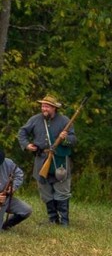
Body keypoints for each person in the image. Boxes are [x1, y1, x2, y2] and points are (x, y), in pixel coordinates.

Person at [17, 94, 77, 226]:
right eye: (43, 106)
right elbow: (22, 132)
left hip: (59, 159)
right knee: (45, 191)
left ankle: (64, 221)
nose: (44, 108)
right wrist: (27, 145)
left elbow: (73, 140)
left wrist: (64, 138)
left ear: (54, 108)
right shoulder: (35, 119)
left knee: (62, 190)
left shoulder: (64, 120)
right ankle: (52, 219)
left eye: (47, 106)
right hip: (41, 159)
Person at [0, 150, 33, 231]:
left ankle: (6, 226)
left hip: (6, 199)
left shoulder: (8, 163)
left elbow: (19, 174)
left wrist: (13, 187)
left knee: (26, 210)